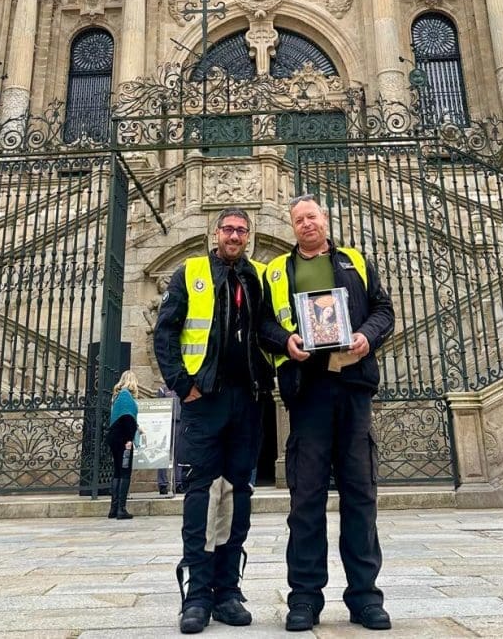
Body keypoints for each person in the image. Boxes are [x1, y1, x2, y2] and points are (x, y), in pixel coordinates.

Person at [261, 194, 395, 632]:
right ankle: (304, 598)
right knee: (306, 499)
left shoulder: (355, 261)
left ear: (325, 219)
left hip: (352, 388)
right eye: (298, 219)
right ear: (292, 226)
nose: (306, 224)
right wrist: (285, 341)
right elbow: (263, 324)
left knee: (360, 495)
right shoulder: (276, 271)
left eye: (312, 216)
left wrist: (366, 336)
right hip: (307, 392)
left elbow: (384, 310)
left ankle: (365, 597)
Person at [154, 207, 272, 634]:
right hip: (205, 400)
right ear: (216, 232)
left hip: (248, 398)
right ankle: (198, 594)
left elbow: (273, 326)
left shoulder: (259, 275)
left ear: (249, 236)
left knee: (238, 493)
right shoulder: (190, 272)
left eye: (241, 230)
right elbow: (166, 332)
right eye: (228, 229)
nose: (235, 236)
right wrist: (181, 384)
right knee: (202, 494)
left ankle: (227, 591)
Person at [106, 369, 142, 521]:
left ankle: (113, 509)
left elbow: (121, 417)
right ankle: (121, 509)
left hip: (115, 437)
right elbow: (127, 418)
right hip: (123, 439)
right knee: (125, 472)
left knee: (117, 472)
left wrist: (137, 427)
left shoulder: (118, 396)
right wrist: (129, 439)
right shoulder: (126, 396)